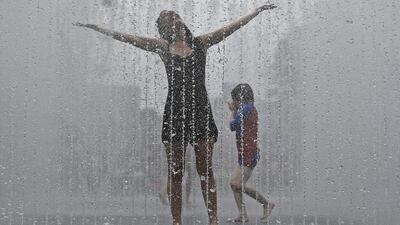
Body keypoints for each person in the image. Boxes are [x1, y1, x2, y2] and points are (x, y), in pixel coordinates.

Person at [73, 4, 276, 225]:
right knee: (176, 173)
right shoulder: (163, 47)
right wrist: (99, 28)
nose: (171, 14)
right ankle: (176, 222)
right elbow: (129, 38)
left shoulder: (200, 43)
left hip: (200, 111)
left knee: (205, 171)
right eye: (165, 15)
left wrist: (254, 13)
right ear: (164, 26)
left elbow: (229, 28)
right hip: (175, 112)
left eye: (173, 13)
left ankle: (213, 221)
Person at [227, 84, 275, 223]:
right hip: (245, 152)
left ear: (239, 98)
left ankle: (266, 203)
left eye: (234, 98)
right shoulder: (246, 108)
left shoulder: (246, 108)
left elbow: (232, 126)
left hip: (250, 152)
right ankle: (242, 215)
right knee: (233, 183)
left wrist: (231, 111)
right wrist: (235, 110)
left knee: (237, 183)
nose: (233, 101)